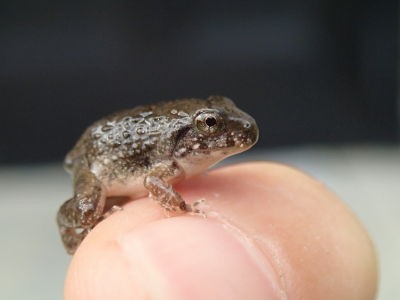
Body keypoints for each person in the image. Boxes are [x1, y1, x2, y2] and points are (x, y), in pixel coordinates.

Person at [64, 162, 378, 299]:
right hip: (94, 165)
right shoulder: (167, 164)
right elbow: (153, 182)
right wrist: (183, 211)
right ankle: (69, 232)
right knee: (86, 209)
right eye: (211, 125)